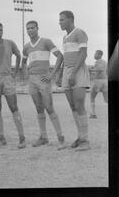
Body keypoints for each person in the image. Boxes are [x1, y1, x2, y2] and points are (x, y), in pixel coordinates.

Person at [21, 20, 67, 150]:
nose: (30, 30)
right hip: (32, 80)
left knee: (49, 107)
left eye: (32, 28)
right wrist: (26, 74)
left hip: (44, 79)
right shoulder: (26, 46)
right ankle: (44, 137)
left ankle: (60, 138)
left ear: (37, 28)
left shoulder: (46, 41)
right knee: (39, 108)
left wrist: (52, 74)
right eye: (28, 28)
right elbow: (23, 62)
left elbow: (60, 56)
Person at [0, 22, 26, 149]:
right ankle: (2, 137)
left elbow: (18, 55)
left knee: (14, 107)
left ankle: (22, 137)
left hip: (7, 78)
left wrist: (15, 72)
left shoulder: (10, 43)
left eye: (1, 30)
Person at [58, 10, 91, 151]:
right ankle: (80, 136)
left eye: (62, 19)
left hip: (77, 71)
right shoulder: (64, 38)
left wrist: (73, 73)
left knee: (79, 104)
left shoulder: (80, 33)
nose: (60, 22)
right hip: (66, 71)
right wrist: (61, 74)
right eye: (59, 20)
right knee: (72, 106)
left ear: (70, 19)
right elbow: (65, 57)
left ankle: (85, 141)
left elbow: (83, 54)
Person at [89, 50, 108, 118]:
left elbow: (100, 69)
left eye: (95, 53)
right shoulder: (105, 62)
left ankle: (93, 114)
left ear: (99, 55)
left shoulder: (98, 62)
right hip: (105, 81)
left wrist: (92, 70)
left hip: (98, 81)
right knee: (106, 99)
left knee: (92, 97)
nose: (94, 55)